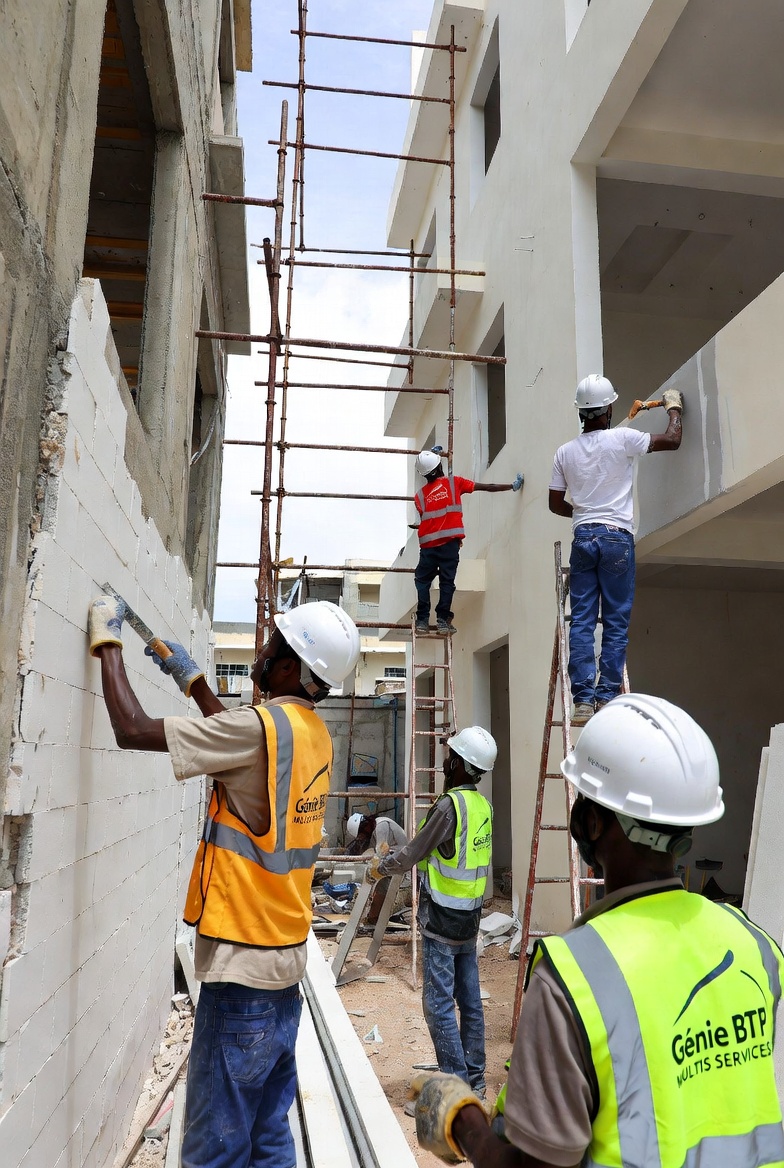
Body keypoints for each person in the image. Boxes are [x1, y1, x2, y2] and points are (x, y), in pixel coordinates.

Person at [408, 694, 784, 1168]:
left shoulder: (574, 974)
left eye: (583, 800)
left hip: (447, 918)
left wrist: (462, 1122)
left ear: (590, 821)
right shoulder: (755, 944)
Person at [87, 594, 360, 1168]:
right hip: (284, 968)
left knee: (215, 1151)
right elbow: (246, 748)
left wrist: (107, 642)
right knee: (267, 1137)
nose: (262, 651)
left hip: (243, 976)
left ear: (291, 667)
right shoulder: (310, 733)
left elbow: (132, 729)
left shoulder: (260, 730)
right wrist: (192, 682)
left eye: (273, 645)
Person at [367, 726, 496, 1105]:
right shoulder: (481, 806)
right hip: (469, 920)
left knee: (438, 1005)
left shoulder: (448, 807)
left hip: (442, 920)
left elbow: (413, 853)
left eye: (449, 755)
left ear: (458, 764)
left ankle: (453, 1091)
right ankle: (474, 1080)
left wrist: (380, 868)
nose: (444, 761)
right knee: (469, 1001)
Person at [548, 375, 683, 724]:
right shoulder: (623, 438)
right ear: (608, 409)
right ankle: (607, 697)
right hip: (616, 538)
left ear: (582, 413)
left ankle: (582, 700)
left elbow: (555, 504)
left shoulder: (564, 452)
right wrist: (674, 408)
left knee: (581, 621)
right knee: (615, 622)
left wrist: (582, 511)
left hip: (583, 538)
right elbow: (672, 440)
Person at [414, 447, 523, 635]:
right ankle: (442, 621)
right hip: (449, 546)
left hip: (428, 547)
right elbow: (488, 487)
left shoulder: (419, 496)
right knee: (447, 582)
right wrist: (511, 486)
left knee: (422, 581)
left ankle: (422, 621)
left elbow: (430, 517)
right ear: (440, 466)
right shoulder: (455, 483)